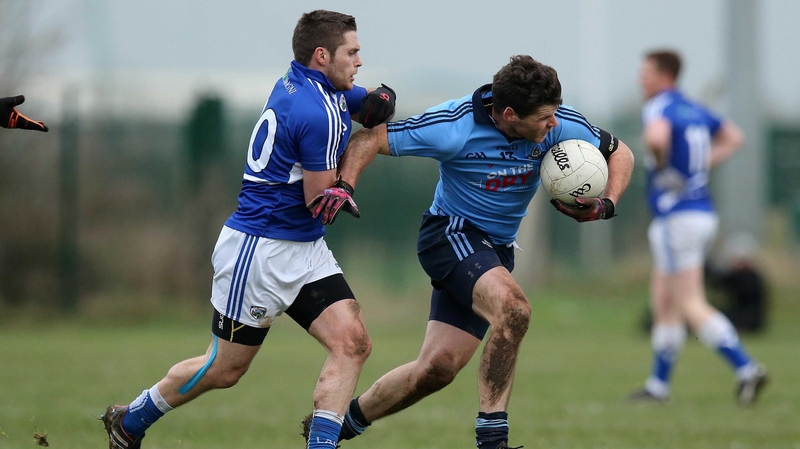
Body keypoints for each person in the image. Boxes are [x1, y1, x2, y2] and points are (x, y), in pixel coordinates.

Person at [305, 55, 636, 449]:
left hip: (493, 251)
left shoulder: (559, 122)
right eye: (545, 118)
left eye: (555, 115)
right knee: (514, 310)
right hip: (451, 235)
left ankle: (343, 423)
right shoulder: (453, 126)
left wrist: (607, 204)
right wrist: (345, 185)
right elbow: (369, 138)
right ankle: (492, 439)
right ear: (510, 114)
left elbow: (621, 152)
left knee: (437, 369)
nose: (553, 125)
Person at [100, 10, 396, 449]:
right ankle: (130, 420)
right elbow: (320, 202)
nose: (359, 62)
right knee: (224, 369)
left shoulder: (305, 83)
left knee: (352, 342)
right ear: (322, 55)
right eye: (352, 53)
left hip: (303, 247)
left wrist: (380, 98)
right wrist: (348, 179)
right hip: (261, 253)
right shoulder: (317, 112)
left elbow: (361, 100)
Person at [629, 50, 768, 405]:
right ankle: (658, 386)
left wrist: (663, 167)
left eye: (646, 73)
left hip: (678, 215)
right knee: (664, 300)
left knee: (689, 301)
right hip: (698, 210)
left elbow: (658, 140)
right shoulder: (693, 107)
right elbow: (734, 137)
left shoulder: (659, 106)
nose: (640, 79)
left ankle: (747, 368)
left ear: (665, 76)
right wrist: (699, 169)